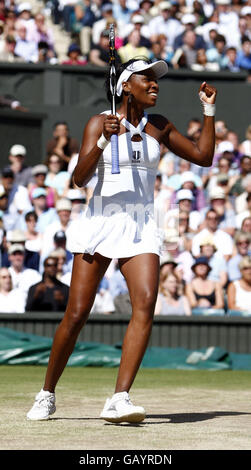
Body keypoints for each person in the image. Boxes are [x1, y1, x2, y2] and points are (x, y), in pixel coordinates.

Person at [26, 57, 217, 423]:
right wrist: (102, 140)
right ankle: (47, 393)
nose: (155, 84)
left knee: (144, 305)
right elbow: (79, 179)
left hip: (142, 224)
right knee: (77, 313)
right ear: (126, 85)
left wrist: (208, 109)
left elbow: (203, 156)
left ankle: (119, 397)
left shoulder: (159, 125)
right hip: (100, 222)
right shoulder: (99, 121)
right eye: (147, 78)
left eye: (156, 79)